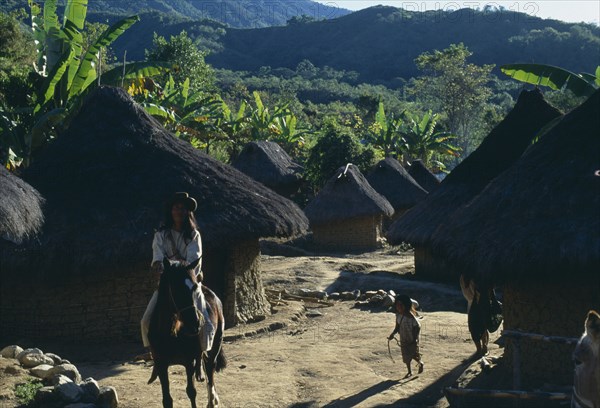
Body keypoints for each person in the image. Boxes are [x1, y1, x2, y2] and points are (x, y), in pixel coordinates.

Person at [139, 192, 215, 361]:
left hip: (188, 284)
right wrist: (158, 264)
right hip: (168, 285)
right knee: (146, 321)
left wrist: (171, 265)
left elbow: (193, 261)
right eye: (176, 208)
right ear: (171, 211)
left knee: (205, 323)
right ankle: (154, 352)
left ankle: (201, 353)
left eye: (182, 208)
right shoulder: (161, 235)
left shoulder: (194, 235)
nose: (179, 211)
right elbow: (157, 257)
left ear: (188, 212)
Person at [388, 294, 424, 378]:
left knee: (413, 354)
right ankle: (409, 371)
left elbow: (417, 327)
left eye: (401, 305)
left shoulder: (411, 317)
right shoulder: (398, 316)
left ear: (406, 305)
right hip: (403, 339)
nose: (399, 307)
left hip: (412, 339)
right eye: (397, 305)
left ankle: (420, 363)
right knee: (405, 356)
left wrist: (415, 338)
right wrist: (392, 334)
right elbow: (397, 327)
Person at [460, 274, 495, 357]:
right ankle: (483, 348)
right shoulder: (479, 278)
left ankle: (480, 349)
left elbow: (467, 293)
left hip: (474, 306)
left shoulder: (466, 278)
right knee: (482, 328)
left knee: (475, 329)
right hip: (480, 305)